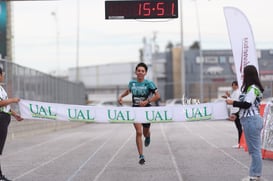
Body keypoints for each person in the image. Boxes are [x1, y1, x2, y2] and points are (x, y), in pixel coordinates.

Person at [226, 65, 264, 181]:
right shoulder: (252, 88)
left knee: (254, 150)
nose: (242, 76)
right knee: (254, 149)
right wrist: (236, 115)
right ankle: (255, 174)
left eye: (244, 74)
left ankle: (254, 175)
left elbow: (247, 104)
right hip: (251, 120)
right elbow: (248, 106)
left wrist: (233, 102)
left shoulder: (252, 89)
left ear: (248, 75)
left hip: (251, 121)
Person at [118, 62, 160, 165]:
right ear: (136, 72)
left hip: (146, 110)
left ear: (145, 73)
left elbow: (157, 96)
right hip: (135, 110)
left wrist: (147, 101)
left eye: (143, 71)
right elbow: (128, 91)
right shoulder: (132, 83)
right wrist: (121, 96)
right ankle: (141, 156)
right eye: (139, 71)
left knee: (145, 133)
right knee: (139, 132)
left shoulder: (149, 83)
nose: (140, 72)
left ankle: (148, 135)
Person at [0, 67, 23, 181]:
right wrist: (13, 100)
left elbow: (5, 106)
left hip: (4, 119)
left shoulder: (1, 89)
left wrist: (15, 114)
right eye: (2, 74)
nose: (3, 75)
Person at [223, 81, 242, 148]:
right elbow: (232, 99)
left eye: (233, 85)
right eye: (232, 85)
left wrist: (228, 98)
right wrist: (228, 96)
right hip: (235, 111)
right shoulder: (235, 92)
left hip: (237, 111)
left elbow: (234, 101)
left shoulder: (237, 92)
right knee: (239, 127)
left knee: (239, 127)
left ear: (236, 85)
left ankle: (240, 143)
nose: (232, 87)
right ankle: (240, 142)